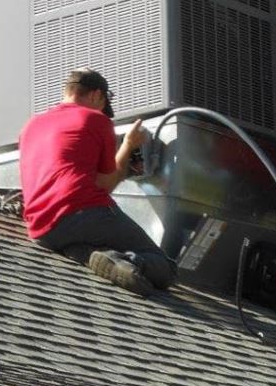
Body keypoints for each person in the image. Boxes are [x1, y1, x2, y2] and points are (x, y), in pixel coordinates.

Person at [19, 68, 176, 296]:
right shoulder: (95, 119)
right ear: (96, 95)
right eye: (103, 104)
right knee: (166, 268)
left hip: (42, 230)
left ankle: (93, 256)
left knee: (79, 239)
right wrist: (128, 145)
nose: (103, 111)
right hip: (84, 214)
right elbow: (106, 185)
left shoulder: (31, 126)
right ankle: (129, 262)